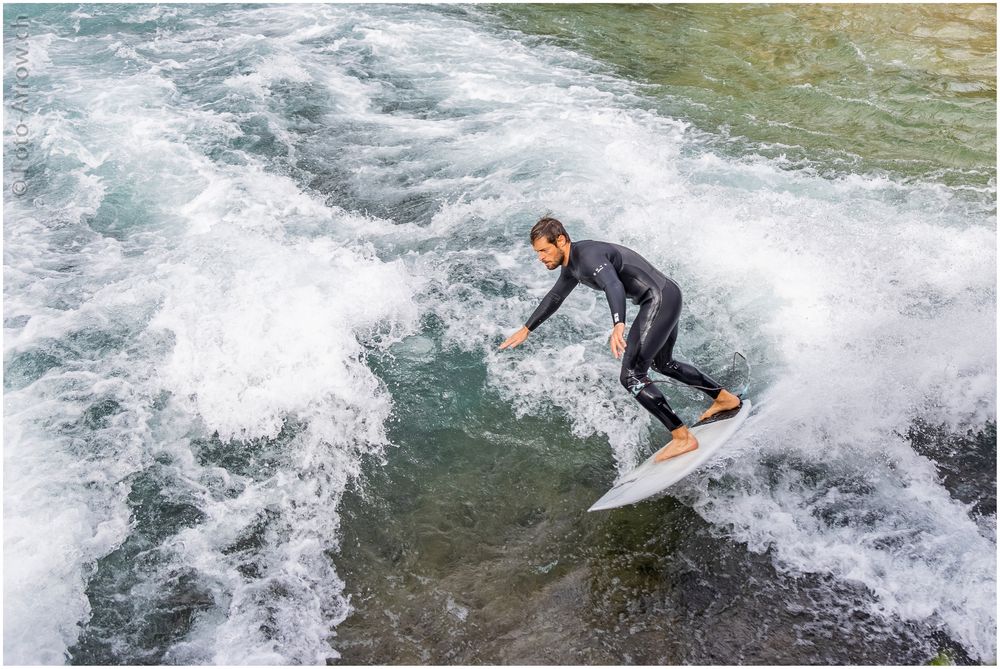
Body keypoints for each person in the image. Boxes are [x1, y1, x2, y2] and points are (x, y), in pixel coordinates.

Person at [499, 217, 741, 462]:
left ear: (560, 240)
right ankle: (724, 398)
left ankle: (682, 438)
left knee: (631, 376)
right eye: (537, 252)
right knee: (663, 364)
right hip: (668, 294)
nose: (540, 257)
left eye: (543, 250)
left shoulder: (588, 257)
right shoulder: (572, 265)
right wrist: (526, 329)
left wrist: (618, 324)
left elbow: (612, 285)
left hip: (659, 299)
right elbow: (554, 297)